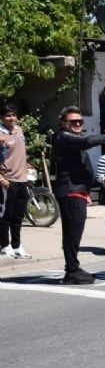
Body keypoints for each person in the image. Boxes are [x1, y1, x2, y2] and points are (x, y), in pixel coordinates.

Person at [53, 105, 105, 284]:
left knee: (74, 232)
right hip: (70, 192)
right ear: (63, 123)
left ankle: (73, 268)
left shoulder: (73, 137)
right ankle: (72, 271)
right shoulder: (63, 137)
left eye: (80, 121)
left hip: (77, 191)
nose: (77, 124)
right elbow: (87, 142)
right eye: (73, 121)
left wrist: (86, 191)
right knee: (72, 233)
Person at [0, 103, 31, 259]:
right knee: (7, 215)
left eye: (13, 115)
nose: (11, 118)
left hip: (22, 179)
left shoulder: (19, 130)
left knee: (19, 215)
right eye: (7, 115)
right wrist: (1, 179)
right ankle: (5, 245)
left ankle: (17, 245)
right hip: (8, 180)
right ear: (1, 117)